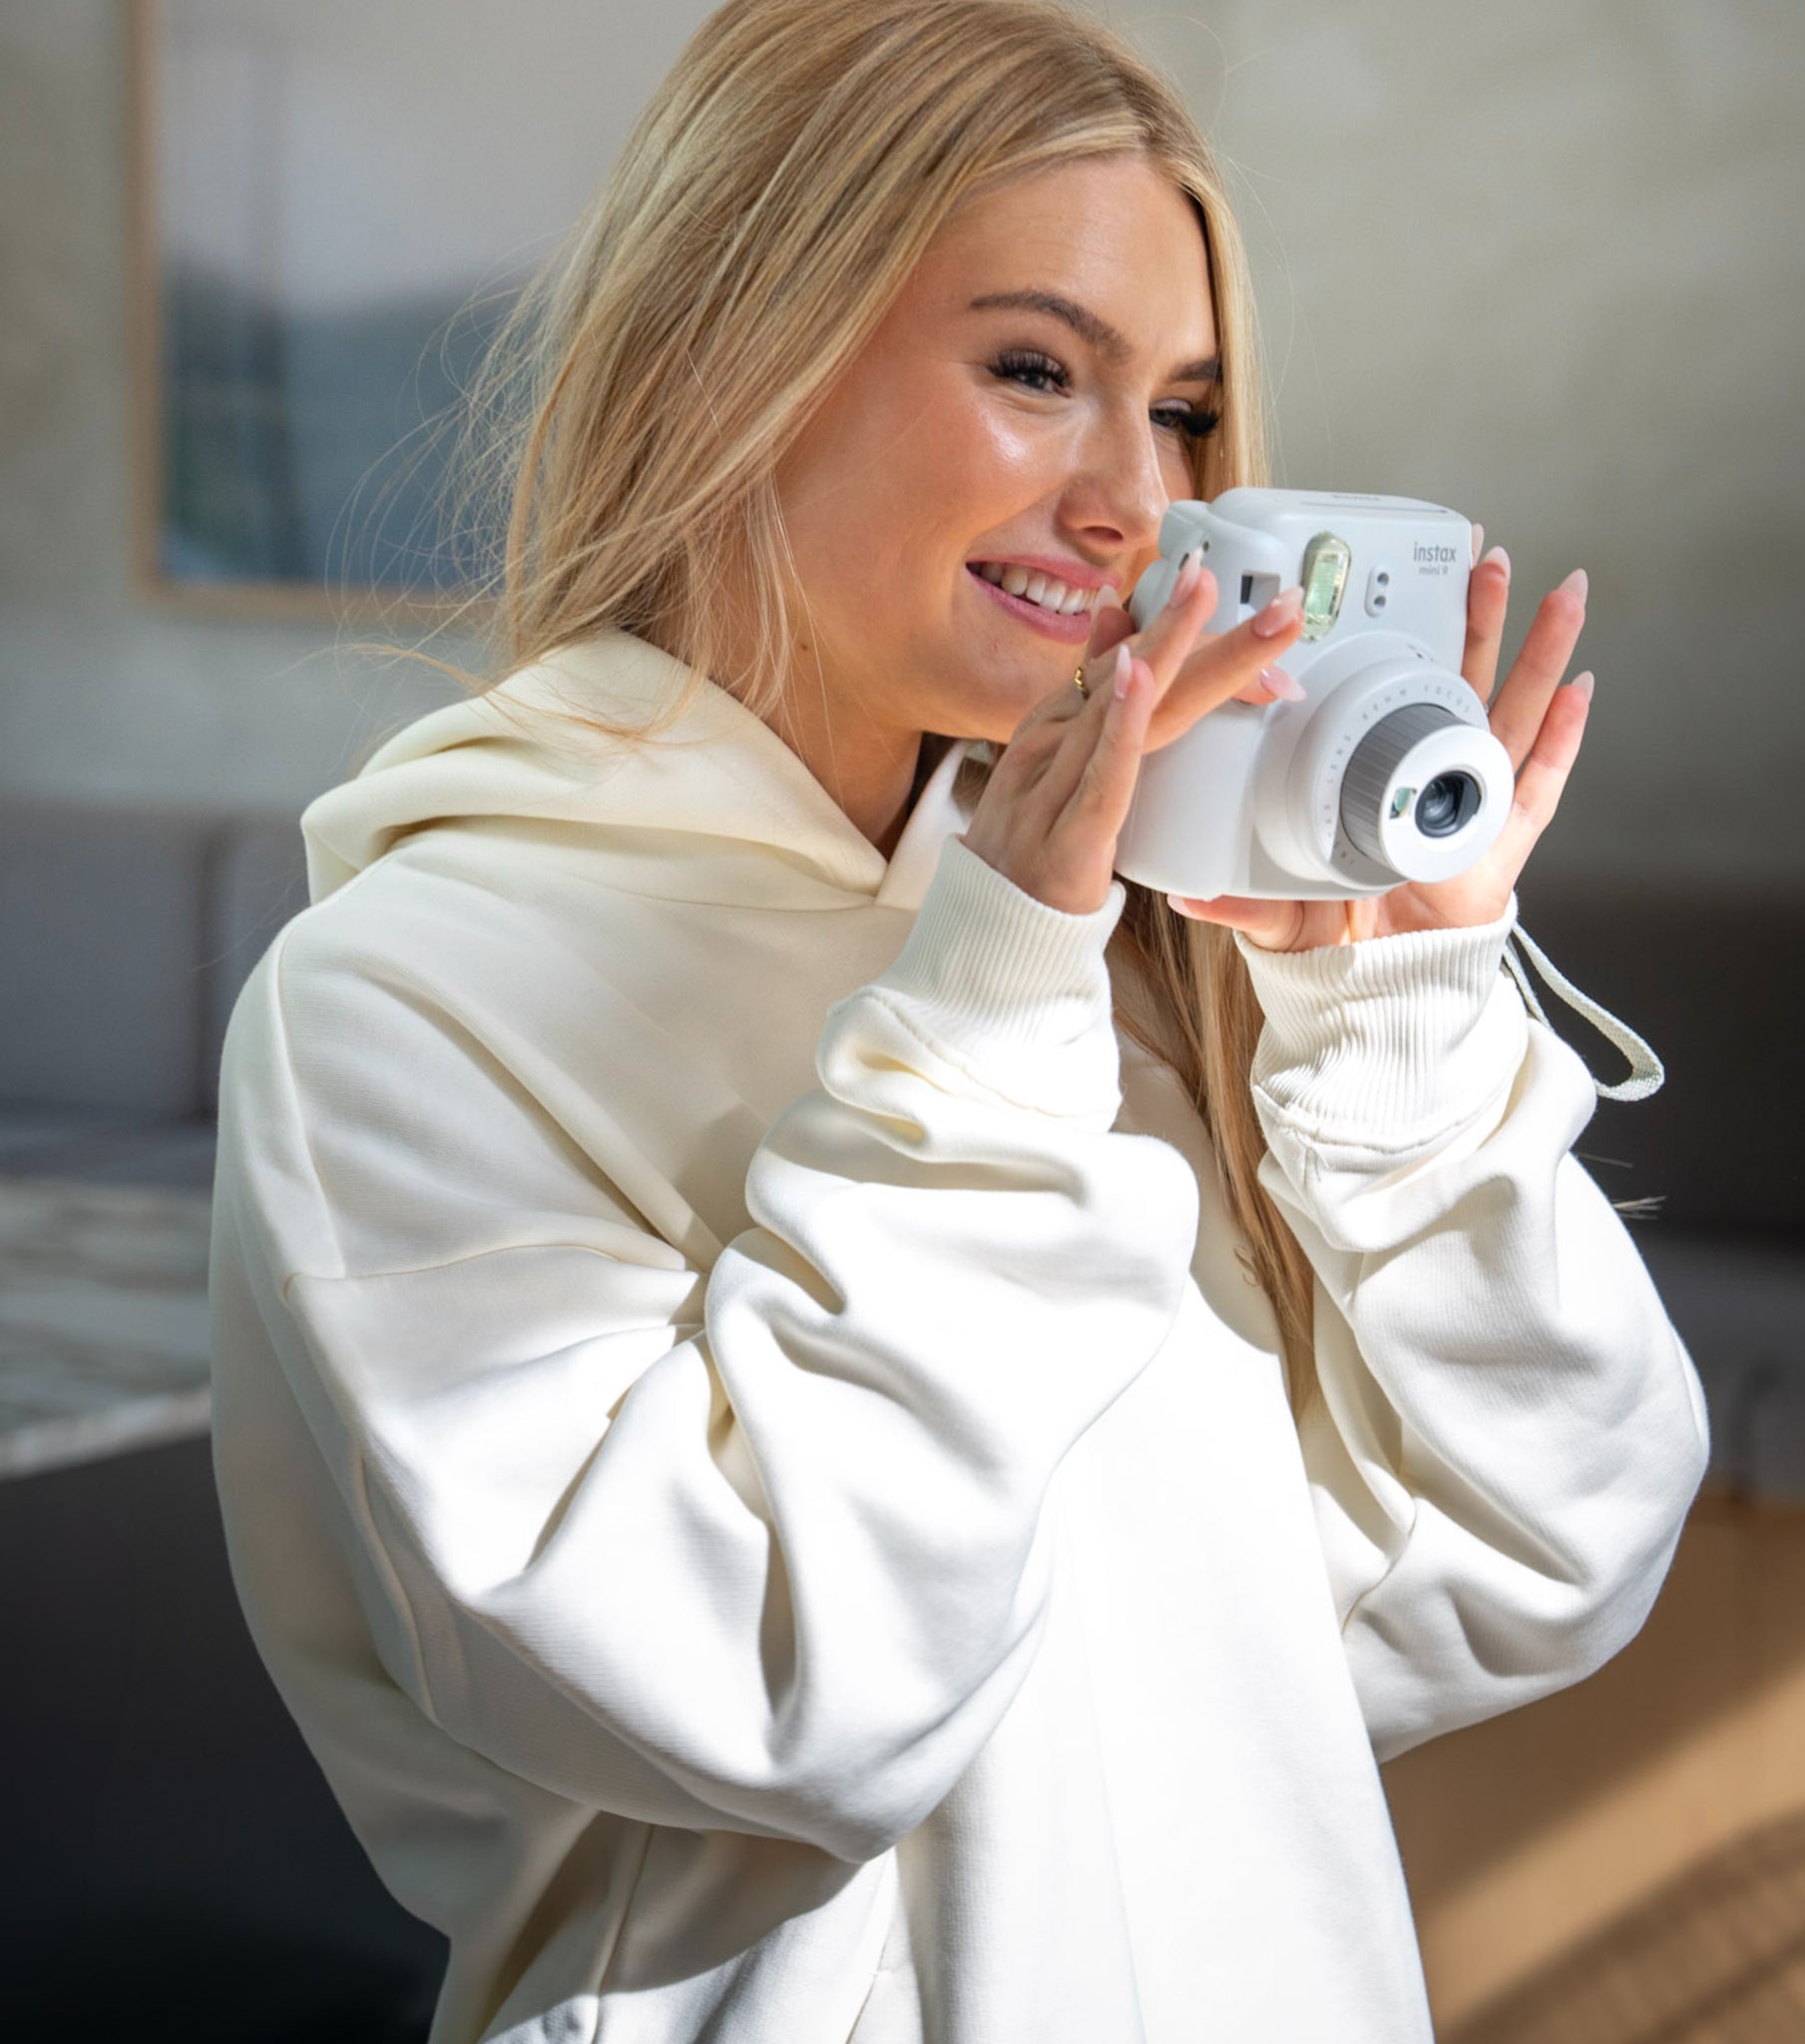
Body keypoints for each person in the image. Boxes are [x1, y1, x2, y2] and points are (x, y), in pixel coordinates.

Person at [208, 1, 1709, 2038]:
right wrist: (993, 1002)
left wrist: (1391, 1000)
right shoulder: (402, 1001)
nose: (1134, 502)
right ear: (733, 352)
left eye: (1179, 414)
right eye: (1034, 371)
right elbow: (772, 1693)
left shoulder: (1113, 961)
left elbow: (1530, 1563)